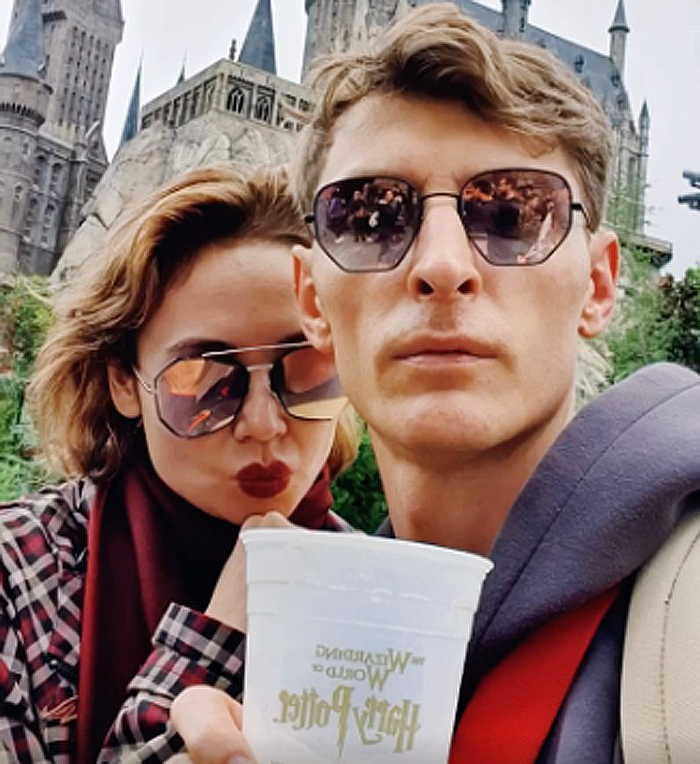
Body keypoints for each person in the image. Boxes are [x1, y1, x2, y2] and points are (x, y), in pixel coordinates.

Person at [164, 5, 700, 763]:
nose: (442, 265)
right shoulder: (316, 665)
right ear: (312, 300)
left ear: (599, 285)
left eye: (513, 215)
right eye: (369, 218)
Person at [0, 165, 357, 763]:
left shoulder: (384, 594)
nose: (264, 423)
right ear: (124, 382)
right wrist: (211, 649)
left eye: (308, 371)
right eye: (203, 379)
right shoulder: (19, 581)